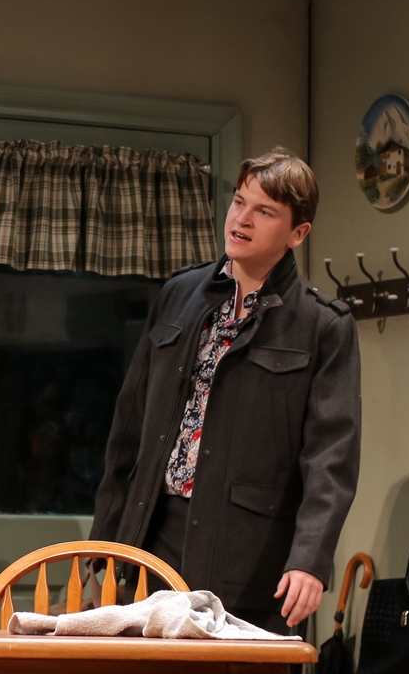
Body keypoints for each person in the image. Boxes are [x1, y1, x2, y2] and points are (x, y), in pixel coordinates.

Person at [89, 148, 361, 635]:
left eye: (265, 211)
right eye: (239, 202)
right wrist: (102, 546)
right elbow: (127, 432)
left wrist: (310, 558)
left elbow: (331, 458)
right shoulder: (179, 295)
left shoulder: (322, 325)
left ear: (298, 233)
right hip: (154, 538)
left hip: (252, 552)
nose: (242, 219)